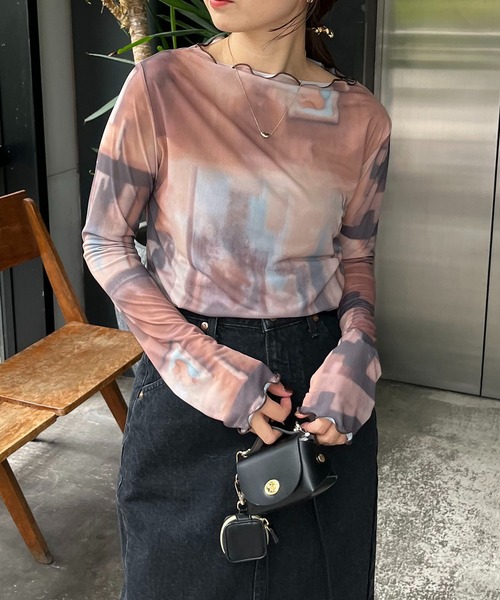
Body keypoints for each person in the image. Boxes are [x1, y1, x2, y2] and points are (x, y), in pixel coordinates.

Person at [82, 0, 391, 598]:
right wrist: (206, 368)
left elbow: (356, 258)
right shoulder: (161, 86)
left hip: (317, 392)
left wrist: (359, 349)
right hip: (188, 378)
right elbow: (104, 240)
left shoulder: (362, 119)